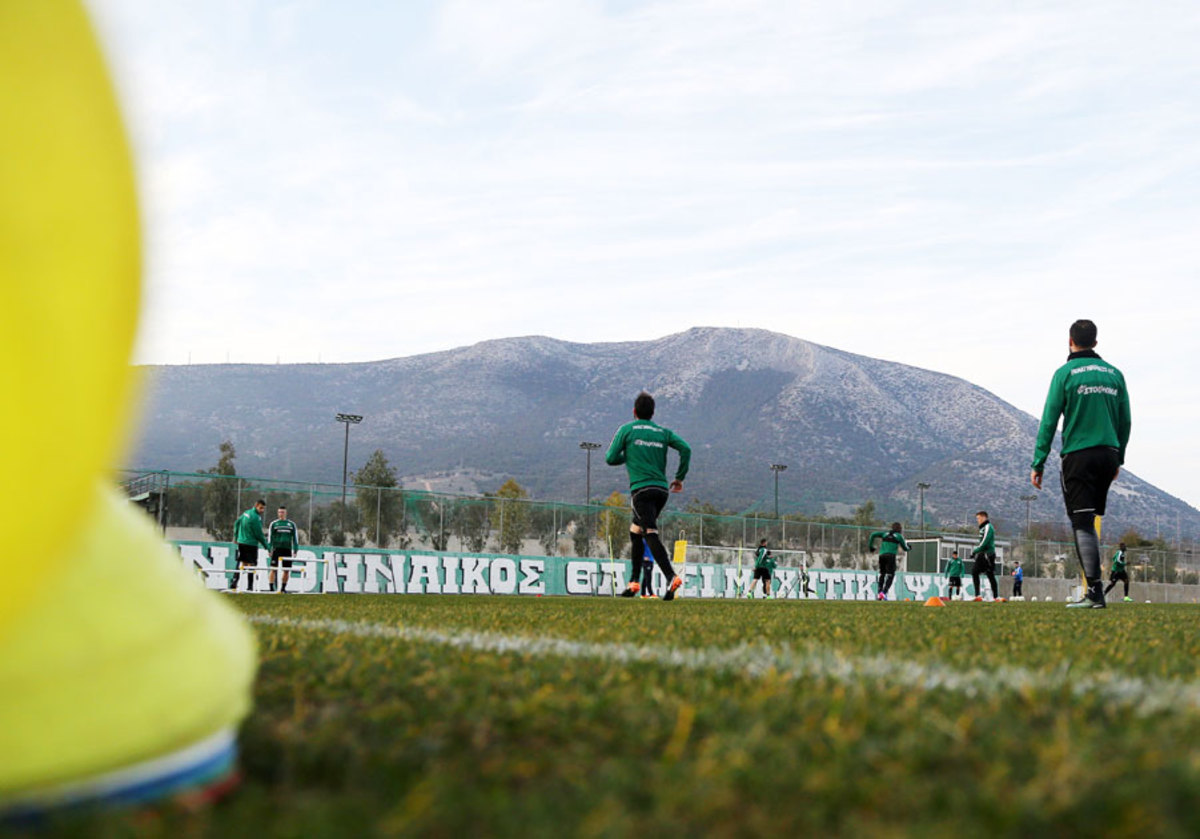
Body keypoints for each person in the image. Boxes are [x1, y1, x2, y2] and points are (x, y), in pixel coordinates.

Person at [1031, 319, 1131, 609]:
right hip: (1108, 454)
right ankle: (1095, 591)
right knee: (1090, 519)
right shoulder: (1114, 374)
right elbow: (1125, 420)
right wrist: (1119, 457)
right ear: (1095, 343)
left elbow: (1049, 420)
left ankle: (1095, 593)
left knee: (1082, 522)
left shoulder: (1064, 373)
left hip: (1079, 455)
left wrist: (1038, 461)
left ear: (1070, 341)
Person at [605, 391, 691, 601]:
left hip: (641, 491)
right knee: (636, 532)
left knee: (650, 533)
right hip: (661, 491)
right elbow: (686, 449)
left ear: (634, 411)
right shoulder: (662, 432)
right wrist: (679, 478)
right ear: (653, 413)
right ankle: (634, 582)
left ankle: (671, 577)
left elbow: (610, 458)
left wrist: (630, 454)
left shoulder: (627, 429)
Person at [232, 499, 270, 593]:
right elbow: (259, 534)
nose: (262, 510)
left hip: (241, 542)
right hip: (251, 543)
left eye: (263, 509)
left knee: (242, 562)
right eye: (261, 508)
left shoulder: (246, 513)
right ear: (256, 505)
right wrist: (267, 547)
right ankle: (250, 586)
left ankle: (234, 582)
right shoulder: (256, 517)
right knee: (252, 564)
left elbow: (237, 523)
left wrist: (236, 536)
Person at [867, 522, 909, 601]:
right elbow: (905, 548)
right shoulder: (899, 536)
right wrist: (909, 548)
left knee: (882, 574)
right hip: (890, 556)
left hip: (881, 555)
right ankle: (884, 592)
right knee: (891, 574)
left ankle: (879, 592)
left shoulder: (885, 534)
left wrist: (871, 547)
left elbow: (873, 534)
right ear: (899, 529)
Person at [268, 505, 300, 593]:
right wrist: (269, 549)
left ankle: (283, 588)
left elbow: (295, 538)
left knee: (286, 570)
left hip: (287, 549)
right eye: (279, 512)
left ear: (286, 513)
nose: (281, 514)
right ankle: (271, 588)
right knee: (273, 568)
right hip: (277, 549)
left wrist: (295, 550)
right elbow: (270, 538)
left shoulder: (291, 524)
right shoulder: (274, 524)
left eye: (282, 512)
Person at [970, 511, 999, 601]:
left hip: (988, 554)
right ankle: (977, 595)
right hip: (982, 554)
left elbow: (984, 542)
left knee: (990, 574)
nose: (978, 520)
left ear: (984, 517)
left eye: (978, 518)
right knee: (975, 571)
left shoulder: (988, 527)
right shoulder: (982, 528)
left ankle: (996, 597)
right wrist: (977, 552)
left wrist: (975, 551)